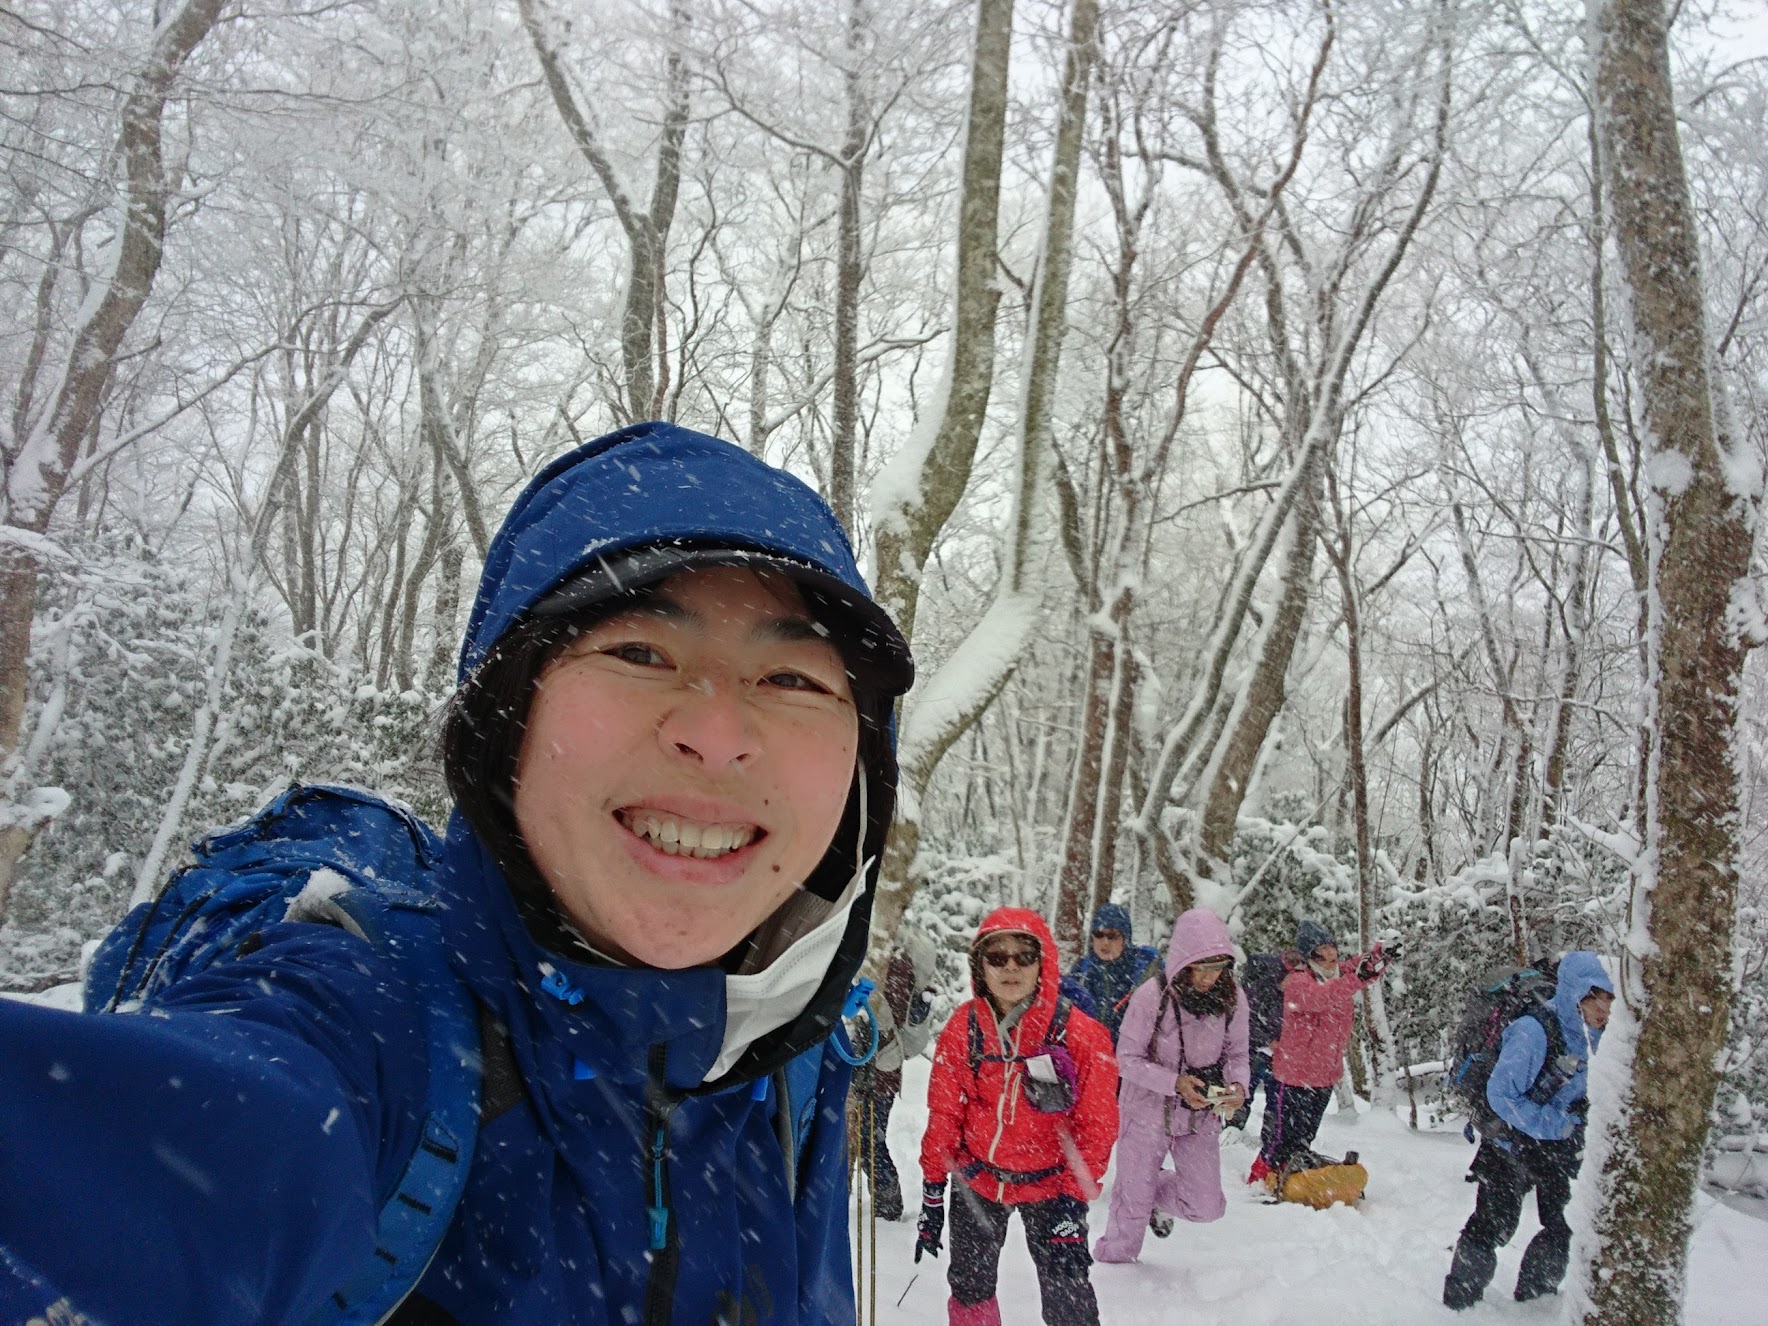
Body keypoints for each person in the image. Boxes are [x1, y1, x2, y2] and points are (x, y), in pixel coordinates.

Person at [0, 422, 914, 1326]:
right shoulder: (366, 1027)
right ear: (504, 730)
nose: (715, 735)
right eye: (640, 652)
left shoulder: (800, 1064)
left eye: (793, 679)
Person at [916, 909, 1119, 1326]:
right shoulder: (964, 1028)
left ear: (1042, 964)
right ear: (980, 965)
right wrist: (933, 1190)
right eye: (997, 957)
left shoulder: (1080, 1034)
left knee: (1069, 1298)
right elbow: (945, 1112)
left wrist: (1072, 1199)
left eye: (1024, 956)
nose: (1011, 966)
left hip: (1051, 1186)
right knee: (970, 1285)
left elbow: (1096, 1126)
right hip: (979, 1178)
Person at [1443, 952, 1614, 1310]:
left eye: (1607, 1000)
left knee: (1564, 1224)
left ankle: (1535, 1303)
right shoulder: (1533, 1031)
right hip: (1511, 1144)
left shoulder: (1594, 1038)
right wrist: (1556, 1124)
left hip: (1556, 1149)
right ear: (1573, 994)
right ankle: (1459, 1301)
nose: (1602, 1010)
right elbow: (1501, 1095)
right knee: (1493, 1224)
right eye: (1592, 999)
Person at [1094, 908, 1248, 1263]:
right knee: (1131, 1202)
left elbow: (1239, 1053)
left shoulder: (1233, 999)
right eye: (1201, 966)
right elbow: (1127, 1059)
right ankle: (1115, 1266)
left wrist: (1238, 1086)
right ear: (1184, 960)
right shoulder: (1153, 995)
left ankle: (1150, 1195)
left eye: (1217, 967)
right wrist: (1174, 1083)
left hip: (1199, 1118)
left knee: (1206, 1206)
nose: (1209, 977)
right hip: (1145, 1112)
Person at [1251, 919, 1397, 1184]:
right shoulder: (1297, 982)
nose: (1330, 956)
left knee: (1305, 1137)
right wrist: (1358, 978)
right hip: (1293, 1076)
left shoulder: (1339, 974)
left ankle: (1293, 1178)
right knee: (1280, 1139)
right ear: (1310, 955)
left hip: (1324, 1076)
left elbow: (1360, 967)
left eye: (1332, 948)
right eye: (1323, 950)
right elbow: (1322, 997)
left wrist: (1381, 954)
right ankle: (1259, 1179)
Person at [852, 926, 940, 1220]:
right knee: (866, 1140)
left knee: (866, 1141)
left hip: (874, 1067)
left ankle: (888, 1206)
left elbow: (887, 1011)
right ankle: (886, 1202)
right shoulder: (890, 962)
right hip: (878, 1067)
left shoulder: (892, 965)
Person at [1065, 902, 1161, 1045]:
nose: (1105, 942)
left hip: (1130, 1058)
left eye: (1112, 936)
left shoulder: (1144, 974)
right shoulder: (1080, 972)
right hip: (1088, 1057)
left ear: (1125, 939)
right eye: (1098, 934)